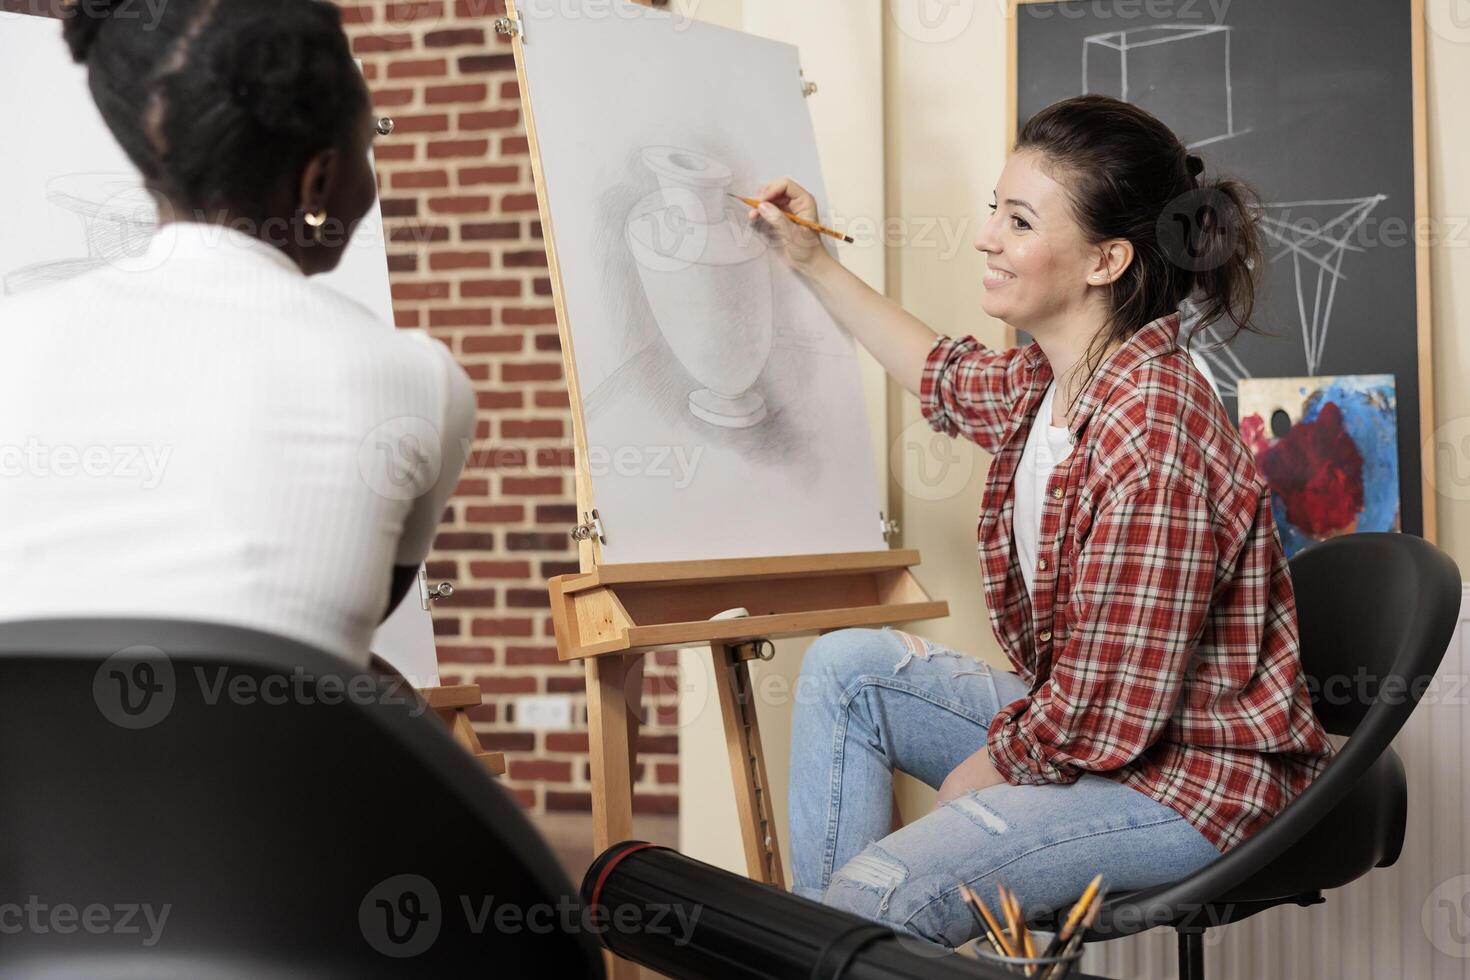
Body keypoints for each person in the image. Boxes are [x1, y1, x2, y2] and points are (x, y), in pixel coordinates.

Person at [751, 94, 1336, 948]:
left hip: (1190, 779)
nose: (986, 236)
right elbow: (944, 376)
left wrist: (982, 777)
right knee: (851, 668)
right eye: (996, 210)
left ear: (1106, 260)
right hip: (1109, 731)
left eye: (1018, 221)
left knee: (883, 894)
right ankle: (830, 950)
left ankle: (835, 945)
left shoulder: (1154, 430)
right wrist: (810, 259)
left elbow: (1107, 709)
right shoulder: (1055, 382)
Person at [0, 0, 473, 665]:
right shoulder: (419, 381)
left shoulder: (12, 341)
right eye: (368, 148)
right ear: (320, 180)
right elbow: (348, 629)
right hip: (272, 765)